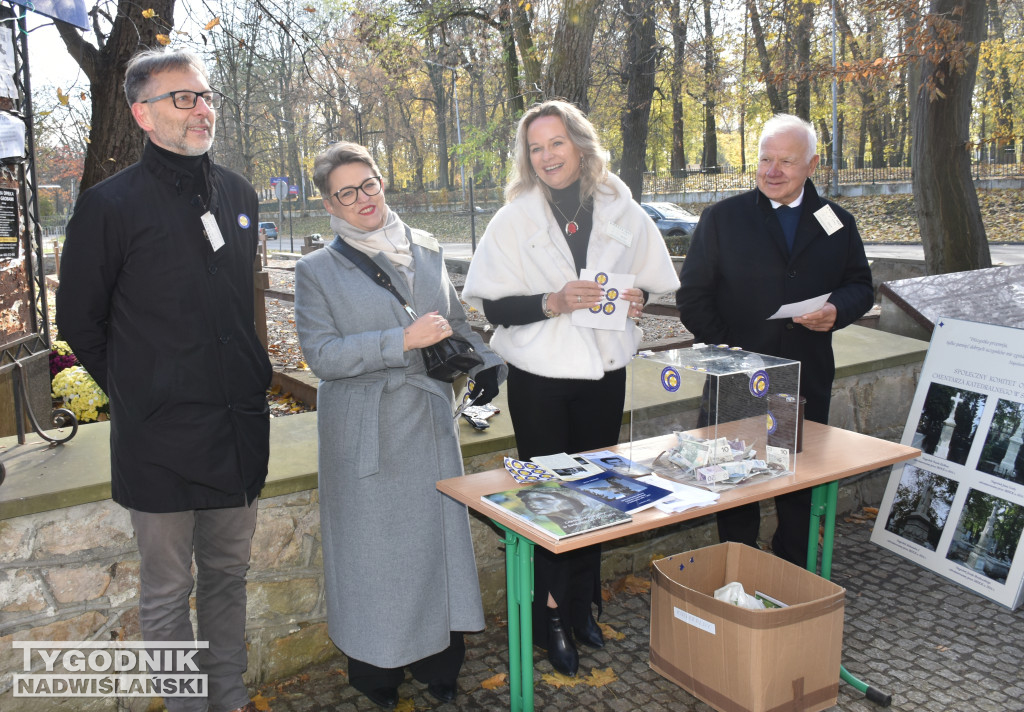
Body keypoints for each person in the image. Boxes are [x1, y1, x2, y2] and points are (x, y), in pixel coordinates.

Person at [56, 49, 270, 712]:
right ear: (142, 113)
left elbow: (241, 304)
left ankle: (228, 699)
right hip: (160, 442)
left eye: (205, 97)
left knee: (229, 578)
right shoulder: (108, 206)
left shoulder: (237, 194)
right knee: (167, 590)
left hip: (238, 430)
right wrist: (140, 389)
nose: (202, 108)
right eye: (184, 98)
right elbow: (80, 321)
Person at [462, 99, 680, 677]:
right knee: (552, 501)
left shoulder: (622, 209)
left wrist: (639, 301)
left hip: (604, 374)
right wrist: (551, 302)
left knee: (600, 495)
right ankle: (550, 615)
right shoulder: (513, 219)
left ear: (581, 146)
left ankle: (584, 604)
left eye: (556, 143)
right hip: (540, 381)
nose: (546, 156)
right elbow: (493, 307)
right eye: (535, 148)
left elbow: (650, 288)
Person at [294, 141, 506, 710]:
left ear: (382, 183)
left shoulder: (427, 249)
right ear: (329, 205)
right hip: (367, 432)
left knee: (437, 546)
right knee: (373, 558)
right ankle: (377, 675)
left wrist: (487, 362)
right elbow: (322, 356)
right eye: (345, 193)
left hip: (430, 423)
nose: (362, 199)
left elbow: (453, 321)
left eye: (368, 185)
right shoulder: (316, 270)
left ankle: (441, 662)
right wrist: (399, 342)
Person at [675, 113, 873, 567]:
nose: (772, 170)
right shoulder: (723, 218)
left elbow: (861, 285)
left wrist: (836, 311)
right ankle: (739, 564)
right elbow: (693, 298)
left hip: (803, 375)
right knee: (735, 480)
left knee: (796, 478)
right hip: (737, 376)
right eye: (765, 159)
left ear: (812, 164)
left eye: (786, 161)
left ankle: (792, 566)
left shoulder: (835, 221)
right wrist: (734, 351)